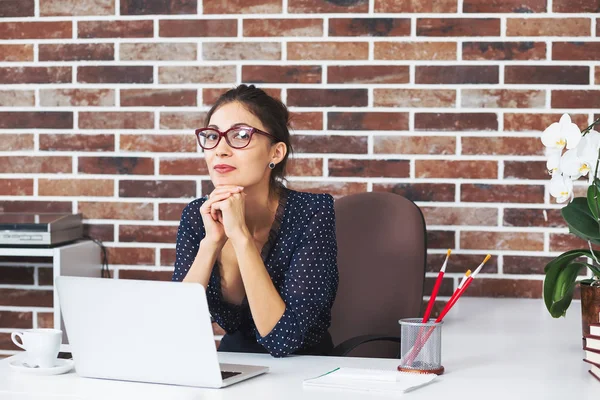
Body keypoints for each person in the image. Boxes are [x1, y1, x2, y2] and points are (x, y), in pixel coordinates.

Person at [171, 84, 338, 358]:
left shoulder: (311, 212)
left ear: (276, 153)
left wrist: (240, 236)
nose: (220, 150)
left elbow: (283, 341)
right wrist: (211, 242)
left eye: (239, 135)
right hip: (234, 360)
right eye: (212, 136)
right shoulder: (197, 216)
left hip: (304, 367)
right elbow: (174, 326)